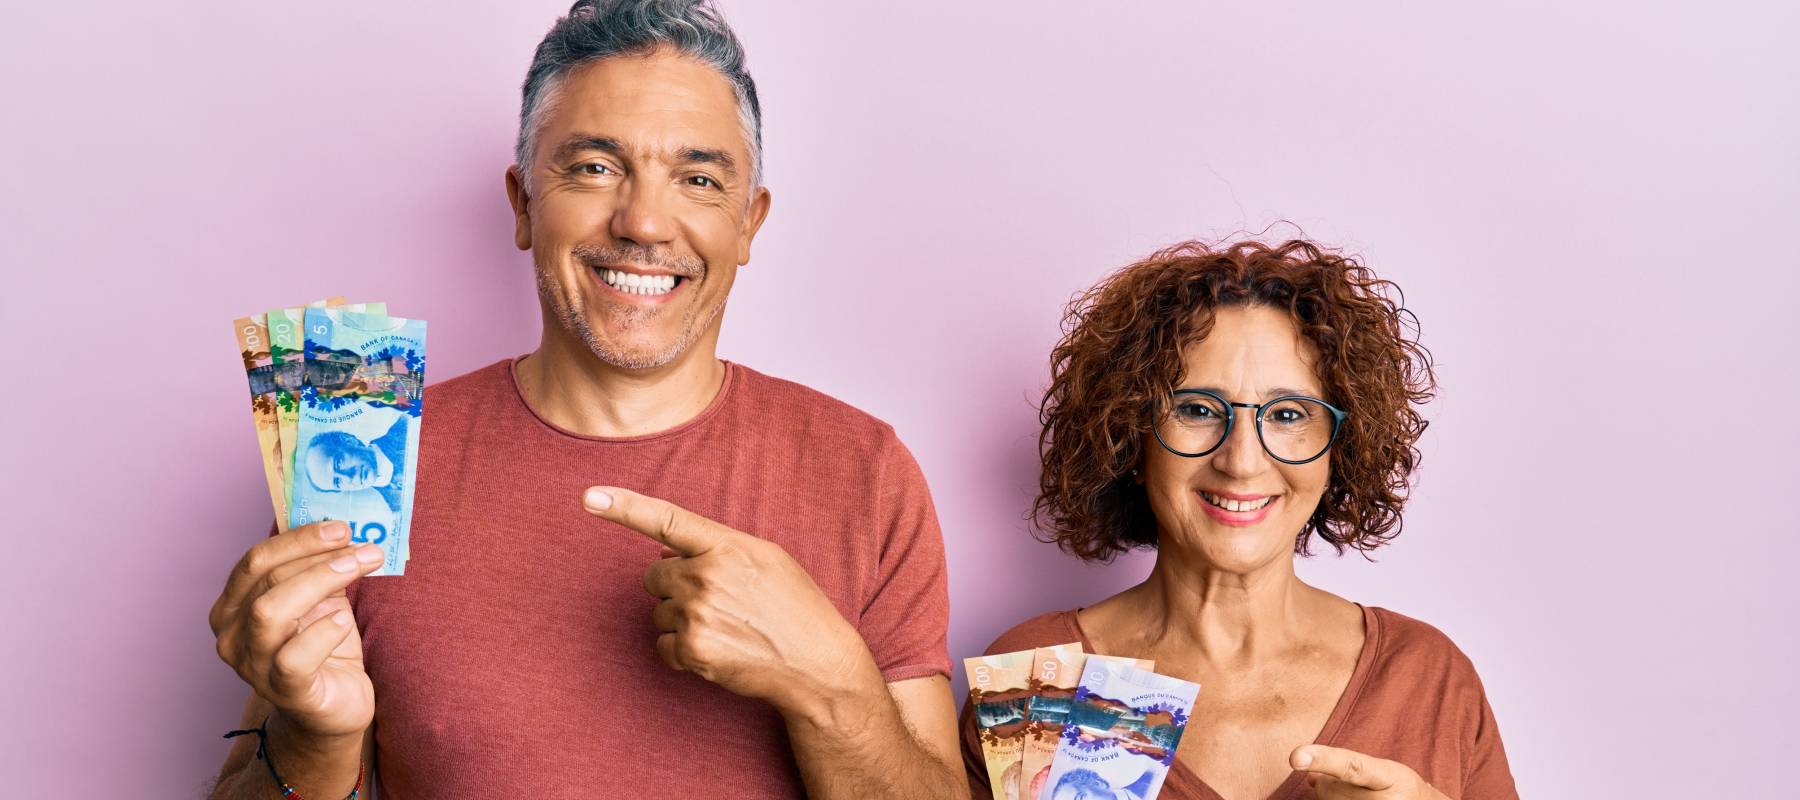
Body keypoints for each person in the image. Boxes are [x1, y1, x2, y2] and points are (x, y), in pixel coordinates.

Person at [207, 1, 966, 796]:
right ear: (524, 204)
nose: (643, 221)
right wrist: (314, 739)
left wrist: (829, 685)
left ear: (749, 223)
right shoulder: (369, 456)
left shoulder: (866, 471)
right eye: (596, 167)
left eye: (699, 180)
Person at [962, 240, 1517, 799]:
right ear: (1131, 435)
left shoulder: (1425, 677)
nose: (1242, 461)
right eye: (1198, 409)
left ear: (1338, 450)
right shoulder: (1044, 678)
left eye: (1288, 414)